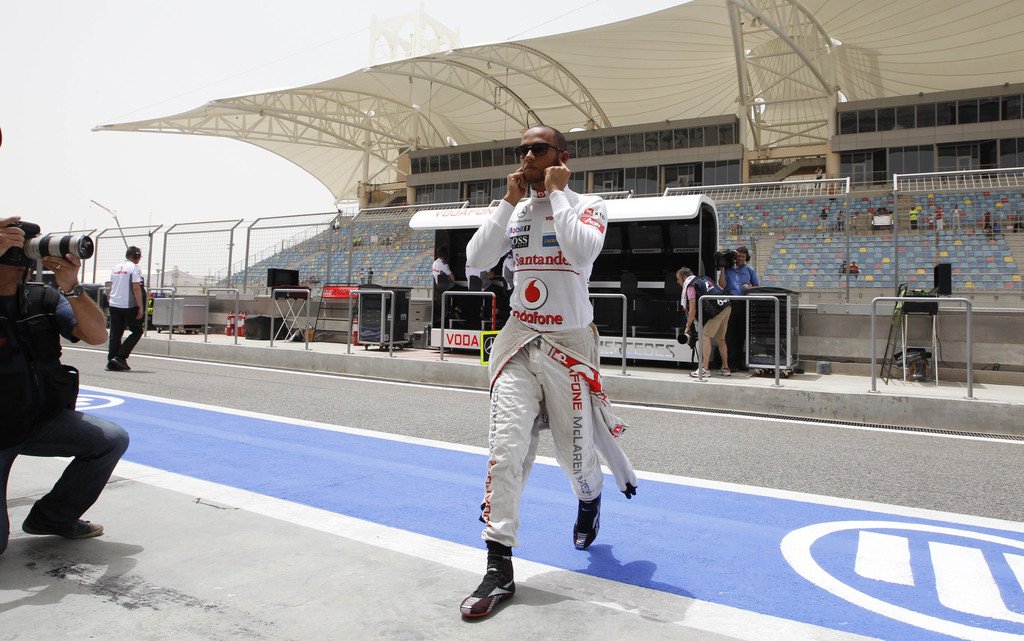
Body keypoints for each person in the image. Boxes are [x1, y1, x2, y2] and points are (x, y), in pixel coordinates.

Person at [459, 125, 637, 618]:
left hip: (569, 344)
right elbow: (476, 260)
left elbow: (581, 252)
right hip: (519, 339)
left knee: (574, 458)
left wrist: (557, 194)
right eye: (522, 150)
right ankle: (499, 566)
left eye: (538, 149)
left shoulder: (587, 205)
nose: (528, 157)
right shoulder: (514, 209)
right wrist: (506, 202)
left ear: (561, 156)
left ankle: (589, 498)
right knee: (506, 450)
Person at [0, 215, 130, 555]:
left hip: (37, 420)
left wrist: (70, 285)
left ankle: (53, 517)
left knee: (110, 439)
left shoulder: (43, 298)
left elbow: (97, 335)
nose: (17, 256)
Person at [678, 267, 731, 378]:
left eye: (678, 279)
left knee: (705, 336)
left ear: (684, 277)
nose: (678, 282)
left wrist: (688, 326)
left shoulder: (690, 286)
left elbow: (692, 309)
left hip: (717, 310)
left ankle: (704, 369)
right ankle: (725, 368)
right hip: (726, 305)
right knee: (721, 339)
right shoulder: (703, 278)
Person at [717, 245, 759, 371]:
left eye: (743, 256)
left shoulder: (750, 270)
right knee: (729, 334)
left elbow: (757, 286)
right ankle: (730, 362)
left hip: (744, 303)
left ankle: (739, 361)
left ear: (746, 257)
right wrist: (722, 269)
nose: (740, 258)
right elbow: (722, 285)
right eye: (739, 256)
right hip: (730, 302)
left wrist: (749, 288)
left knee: (741, 333)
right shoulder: (728, 269)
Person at [106, 246, 145, 371]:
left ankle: (111, 362)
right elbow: (136, 288)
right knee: (137, 331)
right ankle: (120, 357)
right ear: (136, 256)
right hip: (127, 305)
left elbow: (111, 286)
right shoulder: (134, 268)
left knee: (115, 333)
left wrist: (110, 299)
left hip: (114, 303)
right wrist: (140, 307)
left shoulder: (116, 267)